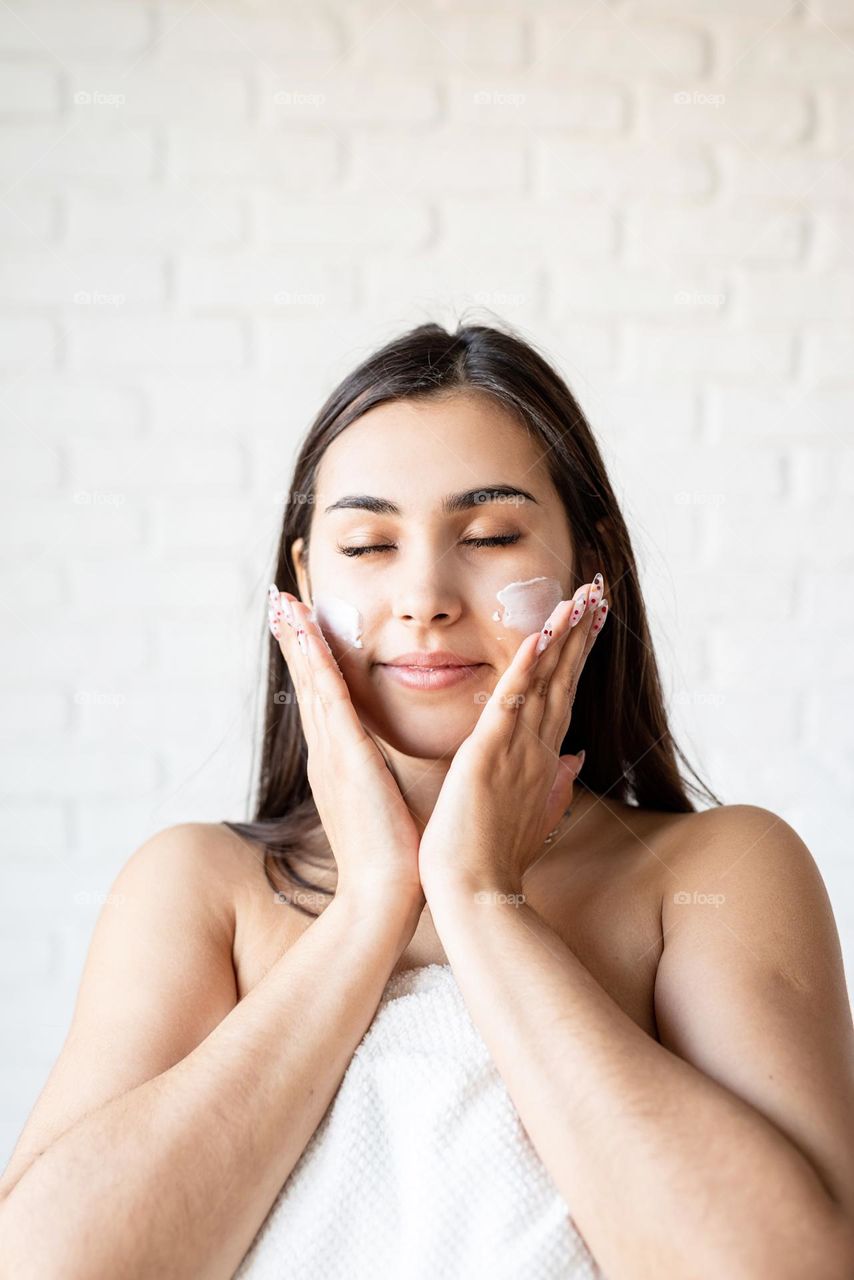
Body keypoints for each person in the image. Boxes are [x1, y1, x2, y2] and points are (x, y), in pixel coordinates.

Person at [1, 321, 852, 1279]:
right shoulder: (201, 888)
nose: (424, 598)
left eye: (489, 535)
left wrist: (482, 898)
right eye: (367, 544)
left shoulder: (715, 875)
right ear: (303, 581)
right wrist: (369, 907)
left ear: (590, 565)